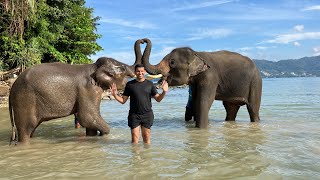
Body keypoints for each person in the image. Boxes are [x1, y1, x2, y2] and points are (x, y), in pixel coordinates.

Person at [110, 64, 168, 144]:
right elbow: (123, 100)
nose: (140, 73)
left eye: (142, 71)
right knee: (134, 139)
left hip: (147, 114)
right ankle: (136, 156)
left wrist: (164, 92)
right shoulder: (130, 85)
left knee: (146, 139)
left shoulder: (150, 84)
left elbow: (158, 99)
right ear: (135, 72)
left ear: (144, 72)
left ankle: (146, 156)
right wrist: (115, 95)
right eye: (138, 71)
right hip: (134, 115)